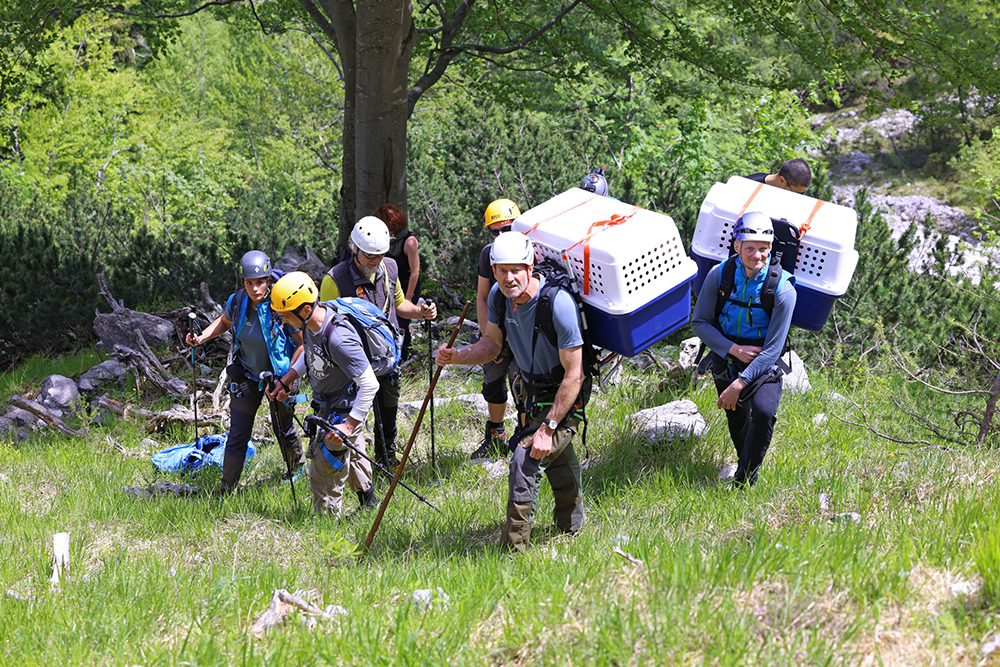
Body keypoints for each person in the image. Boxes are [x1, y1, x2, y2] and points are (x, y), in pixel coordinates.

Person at [436, 231, 587, 552]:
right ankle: (571, 526)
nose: (509, 277)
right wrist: (457, 357)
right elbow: (492, 345)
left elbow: (575, 375)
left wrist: (549, 428)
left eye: (516, 269)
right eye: (501, 270)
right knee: (557, 459)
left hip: (564, 399)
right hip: (529, 397)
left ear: (530, 266)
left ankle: (512, 550)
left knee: (525, 459)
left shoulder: (557, 304)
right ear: (493, 271)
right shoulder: (498, 298)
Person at [320, 216, 437, 470]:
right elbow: (324, 325)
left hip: (386, 357)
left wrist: (421, 312)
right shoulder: (335, 279)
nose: (375, 261)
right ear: (355, 249)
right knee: (352, 415)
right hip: (352, 363)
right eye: (369, 256)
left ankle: (386, 460)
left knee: (388, 413)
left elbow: (400, 305)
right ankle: (353, 468)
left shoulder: (390, 268)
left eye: (380, 255)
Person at [185, 250, 305, 494]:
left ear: (269, 280)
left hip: (281, 378)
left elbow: (303, 344)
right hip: (247, 375)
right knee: (238, 434)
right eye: (249, 283)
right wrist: (202, 338)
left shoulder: (281, 305)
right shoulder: (238, 301)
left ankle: (297, 469)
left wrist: (288, 378)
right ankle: (226, 489)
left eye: (260, 282)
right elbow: (225, 322)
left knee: (282, 427)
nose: (255, 289)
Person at [691, 212, 797, 487]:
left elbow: (774, 348)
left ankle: (745, 479)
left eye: (763, 248)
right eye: (750, 247)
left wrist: (740, 382)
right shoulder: (720, 275)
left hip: (764, 361)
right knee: (736, 418)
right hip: (725, 355)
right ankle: (744, 468)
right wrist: (733, 349)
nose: (757, 255)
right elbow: (699, 322)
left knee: (762, 412)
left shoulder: (783, 289)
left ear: (771, 248)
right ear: (737, 245)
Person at [267, 272, 379, 514]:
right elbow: (311, 357)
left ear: (305, 310)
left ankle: (327, 530)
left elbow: (370, 384)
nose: (283, 322)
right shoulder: (312, 324)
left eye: (285, 316)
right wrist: (287, 381)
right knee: (354, 456)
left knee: (324, 471)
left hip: (343, 413)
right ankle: (369, 504)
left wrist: (348, 426)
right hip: (331, 408)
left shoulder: (338, 339)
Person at [470, 198, 522, 460]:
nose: (501, 235)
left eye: (507, 229)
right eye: (495, 231)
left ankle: (526, 434)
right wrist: (489, 339)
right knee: (492, 384)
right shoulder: (487, 254)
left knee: (524, 383)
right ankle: (496, 435)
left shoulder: (529, 250)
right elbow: (481, 296)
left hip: (523, 330)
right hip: (496, 327)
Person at [377, 204, 422, 362]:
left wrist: (408, 298)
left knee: (402, 322)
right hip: (392, 284)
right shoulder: (387, 240)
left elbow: (415, 272)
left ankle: (405, 357)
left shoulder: (409, 241)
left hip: (408, 284)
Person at [745, 158, 812, 194]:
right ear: (782, 180)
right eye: (796, 192)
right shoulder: (748, 185)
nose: (798, 196)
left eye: (802, 192)